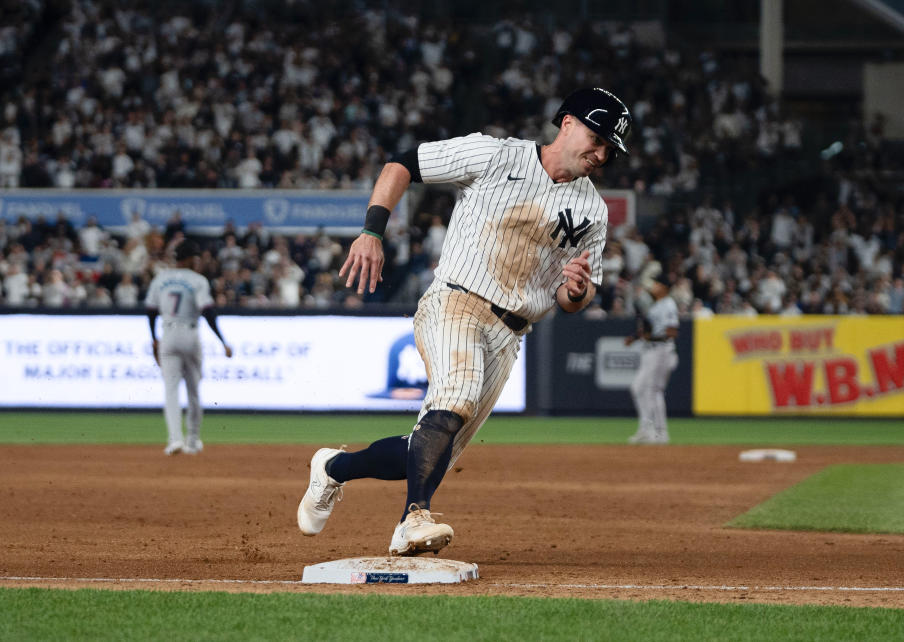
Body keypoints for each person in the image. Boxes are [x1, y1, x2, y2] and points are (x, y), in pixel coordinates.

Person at [297, 87, 633, 556]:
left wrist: (577, 291)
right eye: (598, 139)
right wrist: (372, 231)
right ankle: (413, 519)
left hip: (511, 333)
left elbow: (571, 297)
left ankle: (334, 469)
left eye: (609, 151)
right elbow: (403, 163)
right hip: (457, 300)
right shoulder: (494, 154)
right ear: (568, 122)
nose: (600, 154)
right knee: (453, 399)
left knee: (437, 451)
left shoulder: (592, 211)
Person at [146, 239, 233, 455]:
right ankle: (192, 441)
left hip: (167, 333)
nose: (198, 262)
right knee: (193, 390)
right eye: (195, 258)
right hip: (190, 333)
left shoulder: (160, 279)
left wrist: (154, 338)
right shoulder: (198, 280)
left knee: (171, 391)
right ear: (189, 258)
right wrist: (222, 340)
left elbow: (150, 311)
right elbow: (208, 311)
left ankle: (175, 440)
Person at [626, 271, 679, 444]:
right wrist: (635, 337)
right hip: (651, 350)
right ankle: (646, 429)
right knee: (638, 388)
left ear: (663, 287)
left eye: (656, 283)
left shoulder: (669, 304)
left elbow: (672, 332)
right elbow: (650, 330)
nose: (653, 286)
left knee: (654, 391)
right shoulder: (656, 305)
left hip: (662, 350)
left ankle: (660, 433)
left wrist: (651, 337)